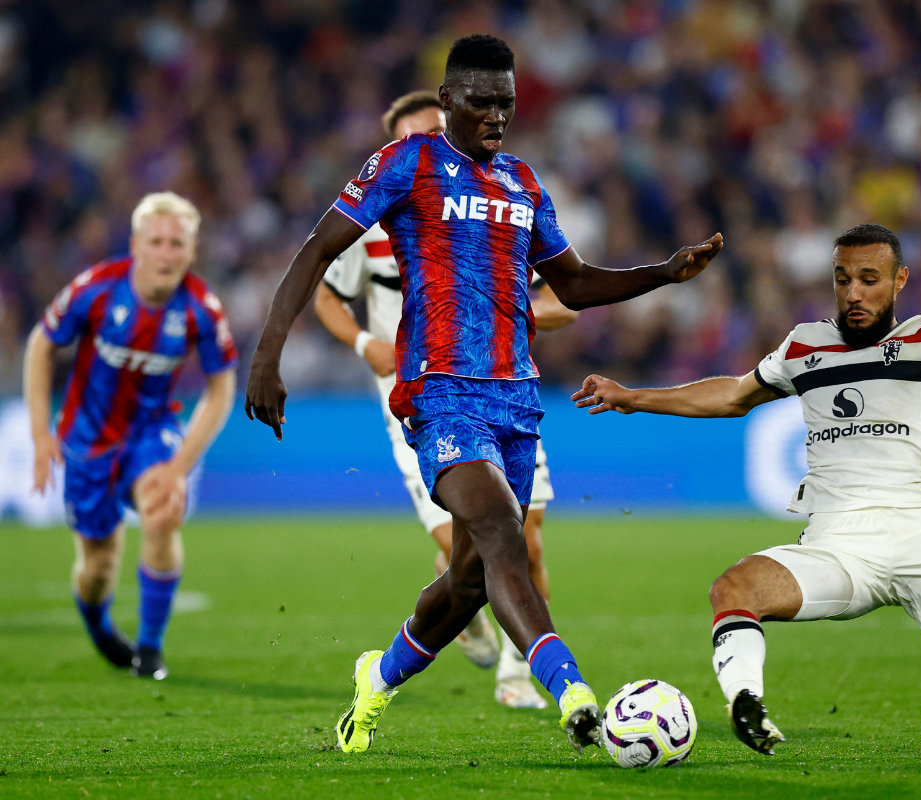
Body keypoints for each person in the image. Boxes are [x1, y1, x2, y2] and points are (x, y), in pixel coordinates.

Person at [243, 34, 722, 753]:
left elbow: (577, 283)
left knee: (469, 582)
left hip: (517, 400)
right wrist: (267, 356)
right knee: (503, 531)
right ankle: (572, 692)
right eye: (482, 101)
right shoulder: (408, 162)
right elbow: (318, 249)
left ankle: (377, 679)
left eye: (507, 102)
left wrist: (664, 271)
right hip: (440, 392)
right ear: (446, 102)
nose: (497, 115)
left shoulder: (523, 182)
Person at [573, 218, 921, 754]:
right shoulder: (805, 346)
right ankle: (746, 701)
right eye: (843, 280)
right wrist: (633, 397)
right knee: (734, 589)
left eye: (869, 280)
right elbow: (733, 395)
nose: (854, 293)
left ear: (899, 281)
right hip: (839, 545)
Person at [312, 89, 577, 709]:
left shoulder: (493, 210)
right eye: (408, 137)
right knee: (475, 549)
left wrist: (514, 316)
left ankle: (516, 674)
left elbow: (560, 298)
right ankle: (465, 620)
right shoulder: (372, 224)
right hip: (422, 400)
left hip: (501, 389)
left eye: (432, 129)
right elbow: (325, 294)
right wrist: (361, 343)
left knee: (524, 542)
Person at [23, 191, 238, 681]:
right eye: (157, 242)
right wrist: (40, 433)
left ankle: (150, 649)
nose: (167, 253)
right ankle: (101, 629)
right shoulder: (97, 288)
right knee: (98, 568)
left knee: (163, 511)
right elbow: (41, 344)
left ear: (192, 249)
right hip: (87, 441)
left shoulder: (202, 308)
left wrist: (179, 468)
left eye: (177, 244)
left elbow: (221, 389)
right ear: (137, 245)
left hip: (151, 433)